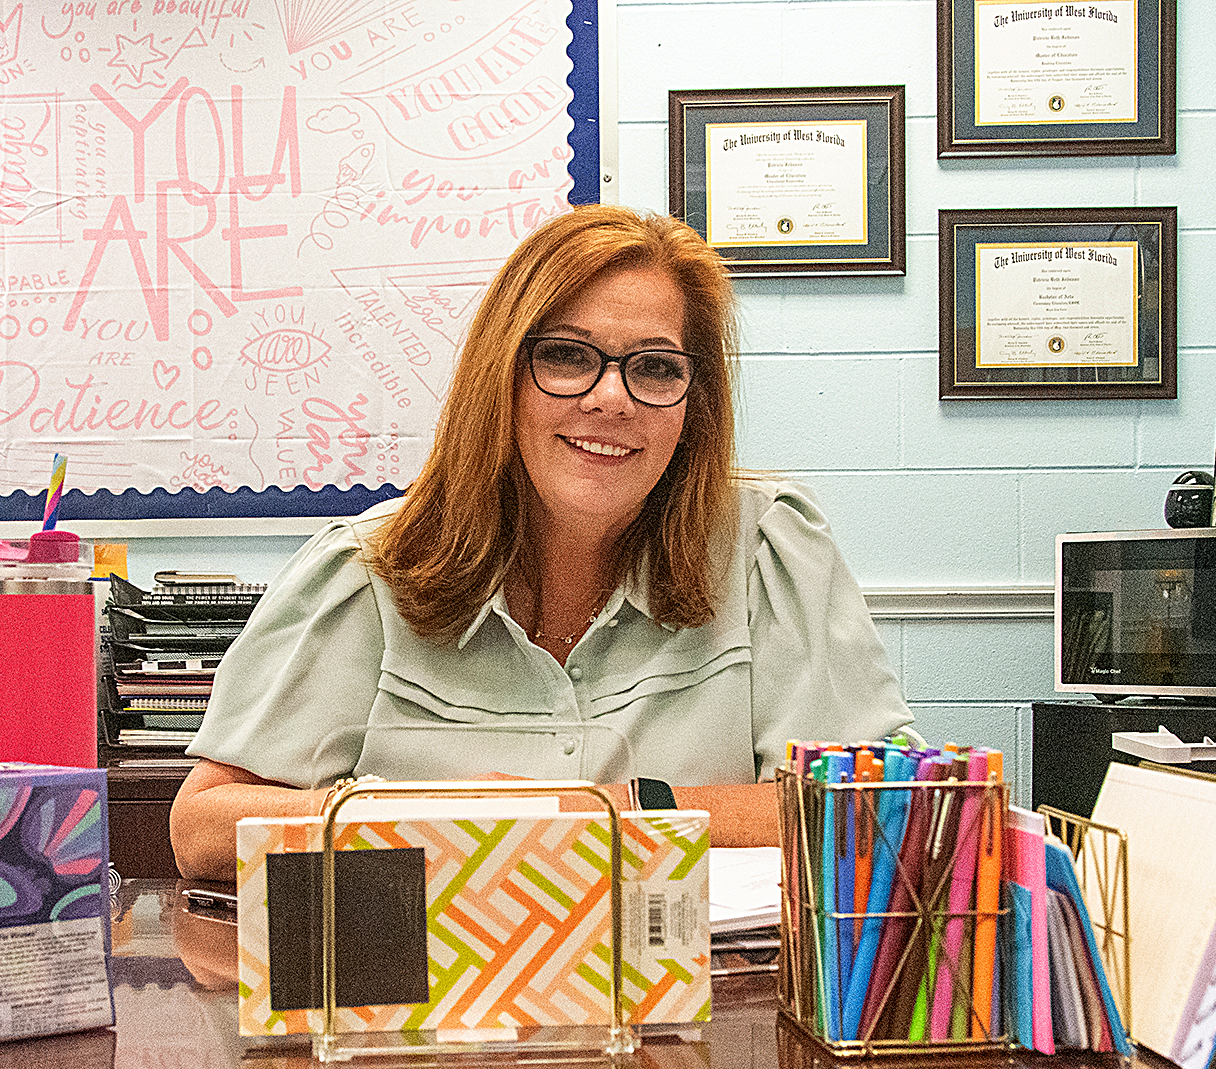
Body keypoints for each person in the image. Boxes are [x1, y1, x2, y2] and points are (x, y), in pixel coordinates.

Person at [170, 206, 912, 880]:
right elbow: (202, 827)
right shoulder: (367, 569)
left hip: (706, 984)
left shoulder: (766, 548)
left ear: (696, 403)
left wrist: (606, 811)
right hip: (426, 986)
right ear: (502, 376)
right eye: (566, 356)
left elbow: (879, 811)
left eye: (656, 367)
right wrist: (427, 817)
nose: (611, 398)